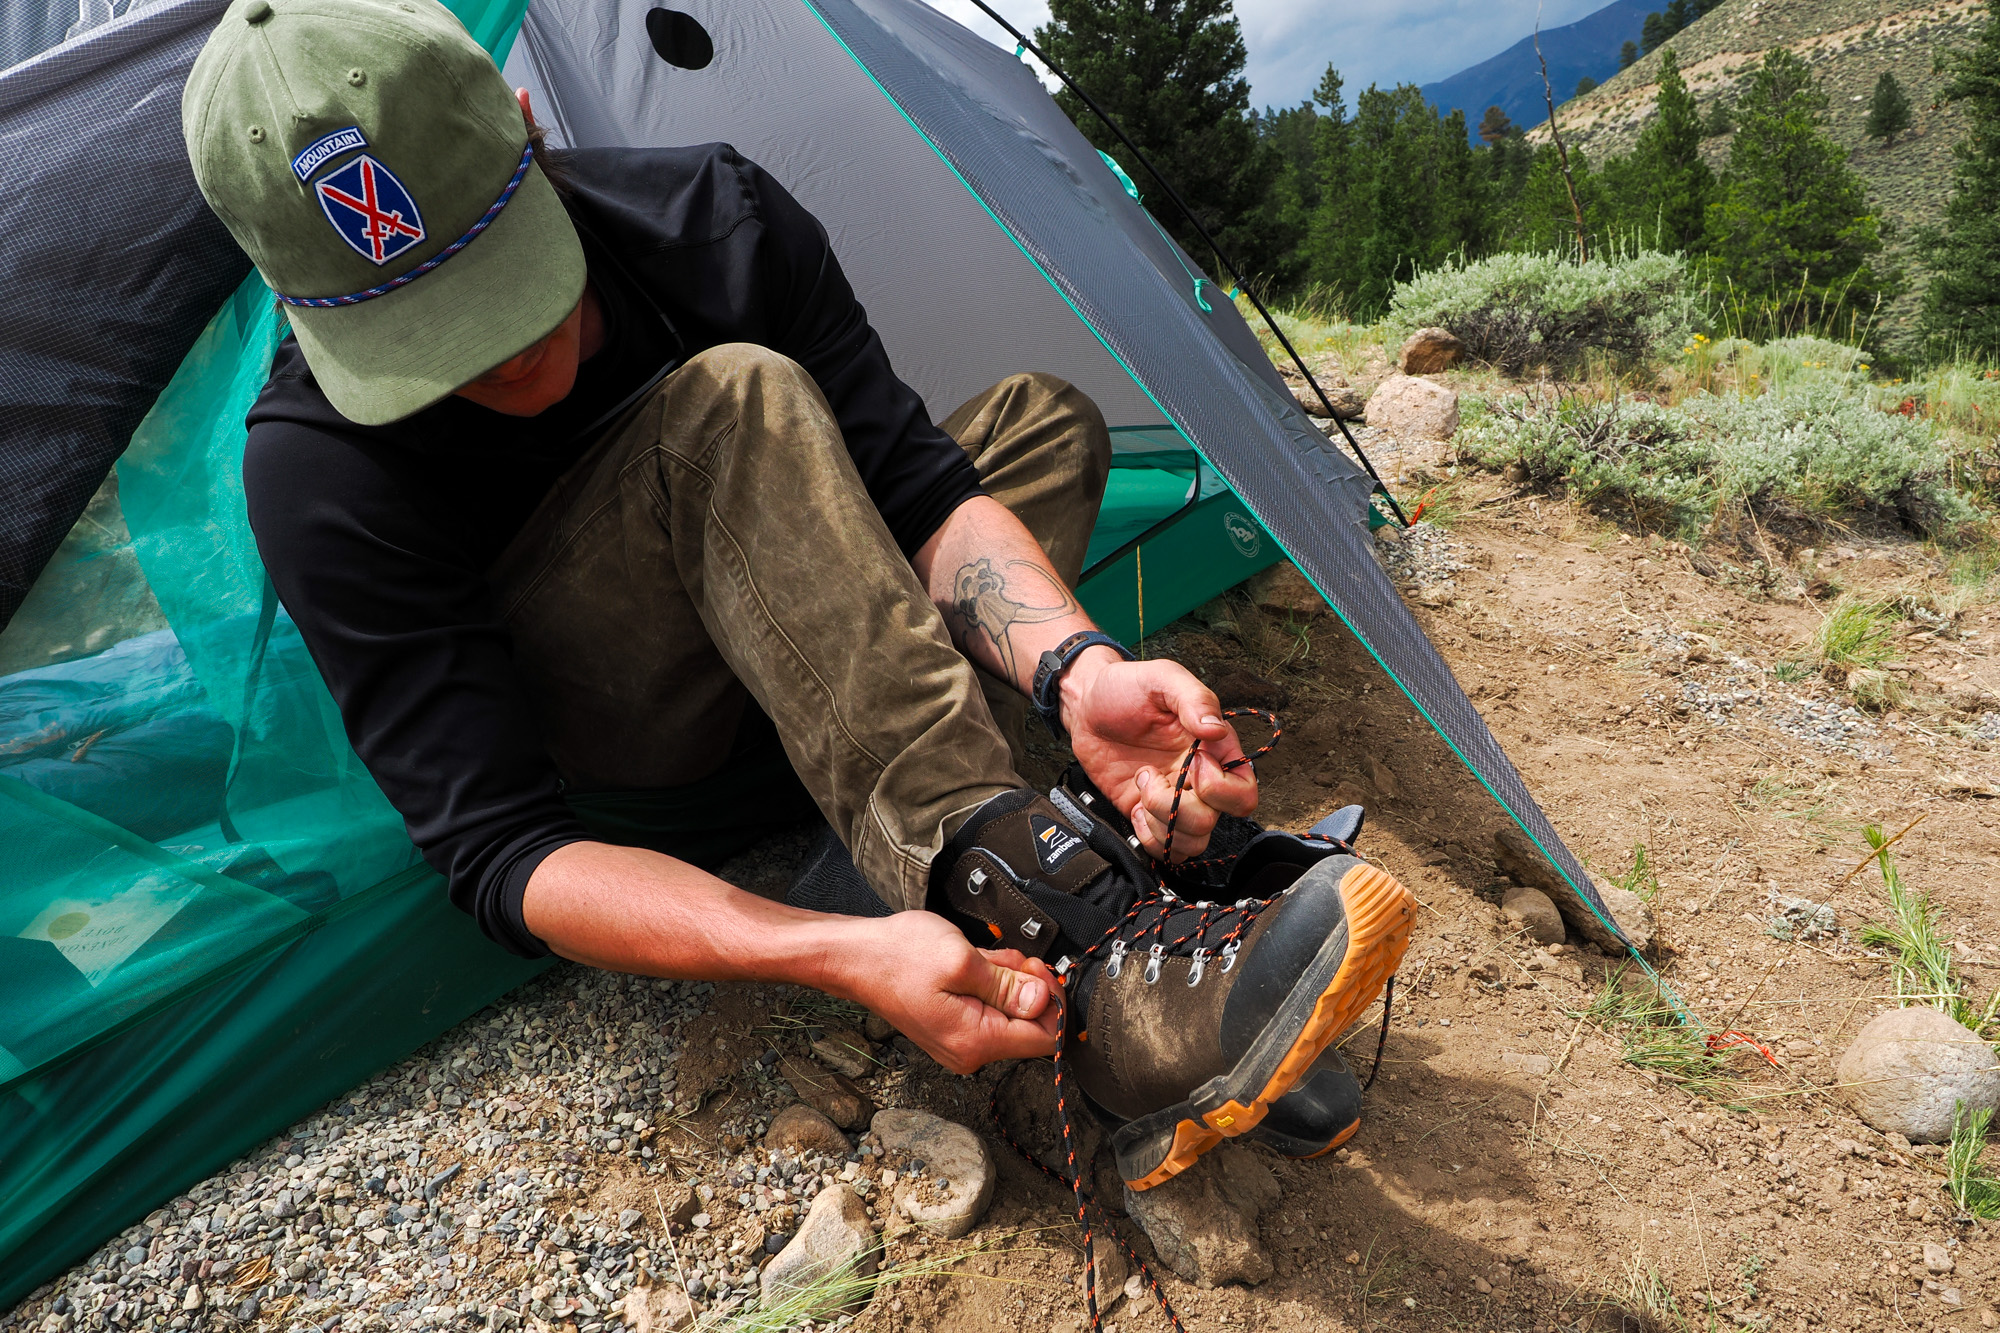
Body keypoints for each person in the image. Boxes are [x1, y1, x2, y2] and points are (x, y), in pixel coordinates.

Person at [181, 0, 1412, 1189]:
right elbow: (505, 851)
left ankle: (995, 845)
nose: (501, 355)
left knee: (1040, 426)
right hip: (652, 753)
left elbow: (920, 494)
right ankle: (1074, 943)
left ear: (525, 121)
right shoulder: (316, 464)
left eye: (499, 272)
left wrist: (1078, 670)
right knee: (732, 406)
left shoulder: (713, 220)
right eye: (421, 329)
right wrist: (833, 954)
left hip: (838, 651)